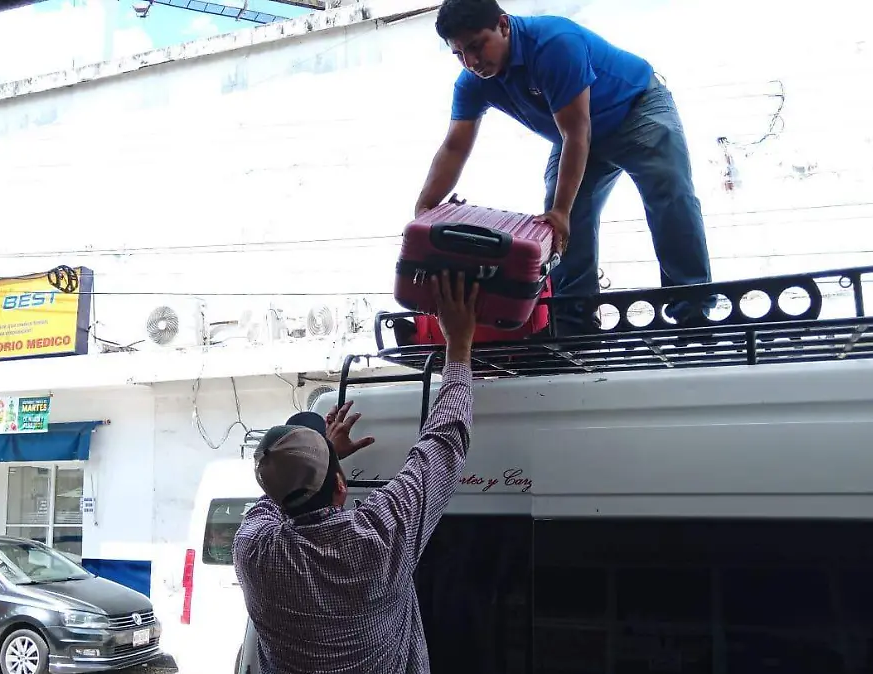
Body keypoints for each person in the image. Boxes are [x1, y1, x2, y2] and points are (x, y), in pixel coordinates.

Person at [416, 0, 713, 335]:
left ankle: (693, 310)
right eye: (458, 54)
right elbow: (455, 146)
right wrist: (424, 207)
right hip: (576, 132)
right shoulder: (472, 82)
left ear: (502, 25)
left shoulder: (553, 44)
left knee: (669, 193)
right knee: (559, 226)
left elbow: (577, 132)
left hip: (635, 111)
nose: (471, 62)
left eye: (475, 46)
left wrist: (561, 209)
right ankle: (575, 323)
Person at [232, 271, 479, 673]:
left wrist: (326, 459)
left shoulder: (253, 552)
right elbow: (444, 441)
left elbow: (276, 503)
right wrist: (460, 345)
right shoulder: (376, 541)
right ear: (342, 487)